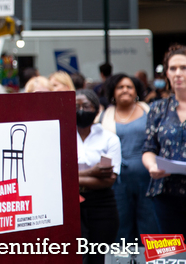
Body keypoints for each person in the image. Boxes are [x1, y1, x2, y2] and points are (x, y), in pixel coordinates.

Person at [99, 73, 158, 242]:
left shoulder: (149, 111)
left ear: (136, 91)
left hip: (147, 178)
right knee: (120, 226)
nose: (125, 90)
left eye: (129, 87)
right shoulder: (103, 117)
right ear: (112, 91)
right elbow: (102, 149)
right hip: (117, 182)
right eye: (120, 87)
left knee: (150, 225)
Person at [143, 44, 186, 242]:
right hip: (165, 192)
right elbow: (148, 148)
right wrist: (152, 165)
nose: (178, 73)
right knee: (172, 252)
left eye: (184, 68)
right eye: (173, 68)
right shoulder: (158, 108)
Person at [76, 89, 121, 264]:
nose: (80, 110)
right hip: (70, 203)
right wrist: (91, 172)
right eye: (76, 106)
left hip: (102, 204)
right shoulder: (61, 137)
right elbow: (54, 175)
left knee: (99, 255)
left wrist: (69, 177)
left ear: (96, 109)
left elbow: (109, 180)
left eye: (86, 106)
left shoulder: (109, 139)